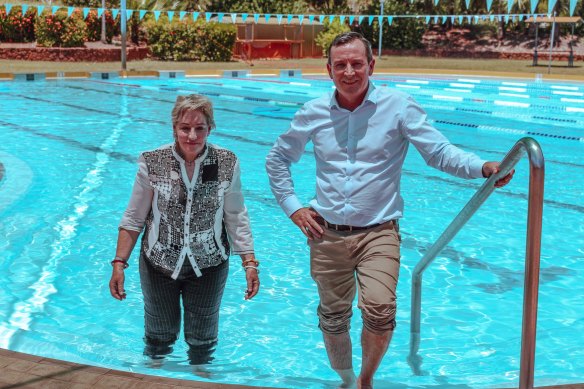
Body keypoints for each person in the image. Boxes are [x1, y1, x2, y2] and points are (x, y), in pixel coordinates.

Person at [265, 32, 513, 389]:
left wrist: (481, 167)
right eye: (340, 65)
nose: (349, 71)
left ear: (371, 65)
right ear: (328, 69)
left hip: (379, 232)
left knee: (380, 310)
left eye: (356, 63)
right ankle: (346, 378)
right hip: (326, 233)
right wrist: (293, 208)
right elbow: (277, 159)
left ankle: (365, 380)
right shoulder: (312, 112)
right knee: (334, 318)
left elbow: (439, 153)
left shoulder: (399, 106)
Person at [109, 94, 260, 367]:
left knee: (203, 341)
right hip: (158, 264)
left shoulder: (227, 162)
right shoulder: (151, 161)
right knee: (158, 338)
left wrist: (249, 263)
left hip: (209, 265)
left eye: (199, 128)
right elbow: (134, 217)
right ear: (174, 128)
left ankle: (202, 378)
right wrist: (119, 263)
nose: (192, 135)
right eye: (185, 128)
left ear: (210, 128)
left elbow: (236, 214)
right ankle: (153, 379)